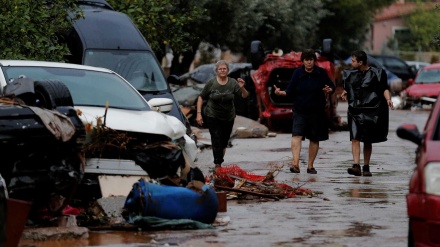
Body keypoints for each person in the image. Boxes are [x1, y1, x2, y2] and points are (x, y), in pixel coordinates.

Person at [274, 49, 335, 174]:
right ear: (303, 61)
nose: (309, 62)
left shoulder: (321, 73)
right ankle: (295, 164)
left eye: (311, 60)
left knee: (314, 138)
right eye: (306, 60)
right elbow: (289, 90)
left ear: (314, 61)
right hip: (300, 110)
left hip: (317, 111)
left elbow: (332, 86)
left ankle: (310, 166)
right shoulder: (297, 73)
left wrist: (330, 90)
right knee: (296, 135)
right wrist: (281, 93)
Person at [341, 50, 394, 177]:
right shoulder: (350, 74)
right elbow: (349, 88)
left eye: (353, 61)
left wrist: (388, 99)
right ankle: (356, 165)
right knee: (355, 137)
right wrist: (346, 92)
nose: (350, 63)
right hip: (354, 109)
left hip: (371, 110)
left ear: (360, 62)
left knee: (367, 139)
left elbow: (384, 88)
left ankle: (366, 166)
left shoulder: (377, 73)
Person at [196, 60, 249, 168]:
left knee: (224, 141)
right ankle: (218, 164)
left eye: (224, 68)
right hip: (212, 115)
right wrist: (199, 114)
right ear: (216, 71)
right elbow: (201, 97)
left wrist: (242, 87)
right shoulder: (211, 83)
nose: (222, 70)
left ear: (228, 70)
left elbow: (245, 96)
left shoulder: (233, 82)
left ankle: (219, 161)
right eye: (220, 69)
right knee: (216, 138)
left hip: (228, 116)